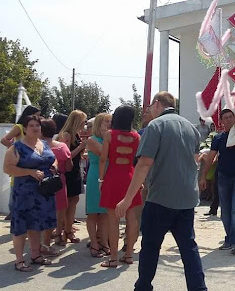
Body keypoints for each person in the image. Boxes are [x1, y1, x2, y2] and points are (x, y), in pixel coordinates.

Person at [114, 92, 205, 290]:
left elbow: (144, 163)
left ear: (157, 104)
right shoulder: (191, 128)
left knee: (151, 246)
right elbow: (195, 159)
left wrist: (127, 199)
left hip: (161, 197)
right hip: (187, 197)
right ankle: (198, 288)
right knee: (189, 248)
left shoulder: (155, 126)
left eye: (149, 107)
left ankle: (144, 286)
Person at [3, 115, 58, 271]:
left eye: (37, 125)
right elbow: (7, 168)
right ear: (25, 129)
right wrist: (30, 172)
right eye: (31, 125)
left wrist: (54, 165)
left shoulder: (44, 144)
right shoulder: (17, 147)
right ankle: (19, 260)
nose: (35, 128)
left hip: (43, 192)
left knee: (37, 225)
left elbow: (52, 159)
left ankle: (35, 255)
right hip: (24, 193)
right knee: (21, 227)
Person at [199, 109, 235, 255]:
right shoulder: (218, 138)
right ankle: (229, 238)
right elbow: (210, 158)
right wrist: (203, 176)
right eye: (226, 118)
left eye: (231, 117)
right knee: (225, 210)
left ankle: (234, 241)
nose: (229, 120)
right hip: (223, 176)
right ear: (221, 121)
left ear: (234, 118)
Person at [99, 105, 142, 267]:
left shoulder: (110, 135)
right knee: (132, 219)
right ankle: (129, 254)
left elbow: (104, 159)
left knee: (113, 220)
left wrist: (101, 180)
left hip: (113, 178)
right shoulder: (136, 136)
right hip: (131, 177)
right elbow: (137, 161)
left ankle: (113, 258)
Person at [2, 105, 41, 222]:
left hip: (30, 161)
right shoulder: (19, 127)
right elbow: (4, 139)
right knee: (16, 182)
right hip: (20, 161)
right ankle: (13, 210)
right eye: (37, 115)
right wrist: (16, 150)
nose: (39, 117)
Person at [40, 119, 71, 255]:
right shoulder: (62, 147)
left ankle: (40, 243)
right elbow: (69, 166)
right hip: (58, 180)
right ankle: (58, 235)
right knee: (59, 211)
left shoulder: (35, 146)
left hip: (39, 180)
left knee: (41, 212)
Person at [57, 110, 87, 244]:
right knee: (65, 204)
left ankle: (68, 229)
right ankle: (62, 231)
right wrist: (81, 147)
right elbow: (66, 155)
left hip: (75, 170)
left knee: (73, 201)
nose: (84, 124)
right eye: (83, 121)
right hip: (67, 172)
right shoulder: (66, 135)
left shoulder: (75, 135)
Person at [85, 113, 111, 257]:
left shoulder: (108, 139)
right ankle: (94, 243)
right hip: (95, 176)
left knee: (105, 213)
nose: (109, 124)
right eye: (106, 122)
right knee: (93, 212)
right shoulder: (92, 140)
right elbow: (105, 154)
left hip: (108, 176)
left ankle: (104, 243)